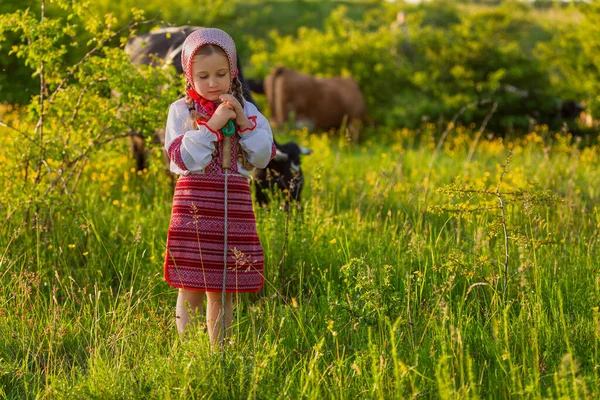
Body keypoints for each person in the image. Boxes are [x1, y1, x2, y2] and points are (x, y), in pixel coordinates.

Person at [163, 28, 276, 346]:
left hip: (233, 204)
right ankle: (187, 350)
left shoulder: (248, 111)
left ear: (233, 71)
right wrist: (211, 126)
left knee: (223, 286)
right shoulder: (181, 111)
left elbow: (262, 157)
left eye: (221, 74)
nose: (213, 83)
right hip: (195, 205)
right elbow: (182, 159)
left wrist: (241, 121)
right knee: (192, 284)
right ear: (189, 76)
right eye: (204, 76)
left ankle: (218, 350)